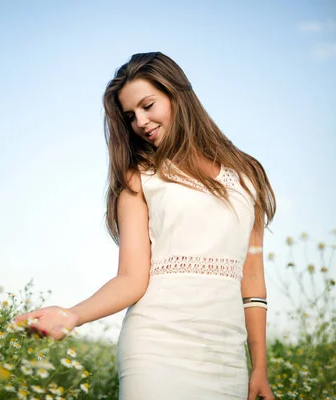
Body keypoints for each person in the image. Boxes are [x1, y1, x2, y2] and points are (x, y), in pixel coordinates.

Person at [14, 52, 276, 400]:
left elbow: (253, 279)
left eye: (148, 105)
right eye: (130, 116)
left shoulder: (248, 176)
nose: (140, 122)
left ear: (177, 94)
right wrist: (71, 315)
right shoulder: (139, 178)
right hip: (155, 348)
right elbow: (131, 279)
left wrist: (259, 369)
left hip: (225, 356)